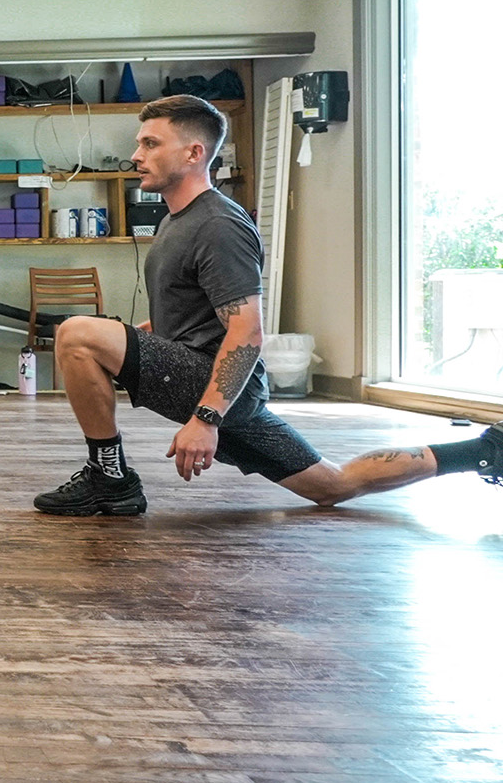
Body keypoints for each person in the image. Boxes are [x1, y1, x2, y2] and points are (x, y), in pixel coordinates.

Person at [33, 94, 503, 517]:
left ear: (194, 153)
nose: (136, 155)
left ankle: (110, 478)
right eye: (140, 144)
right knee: (333, 485)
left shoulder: (218, 225)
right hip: (216, 385)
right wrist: (135, 343)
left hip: (215, 389)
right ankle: (483, 452)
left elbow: (247, 331)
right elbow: (193, 315)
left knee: (76, 332)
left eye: (150, 144)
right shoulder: (177, 220)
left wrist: (206, 419)